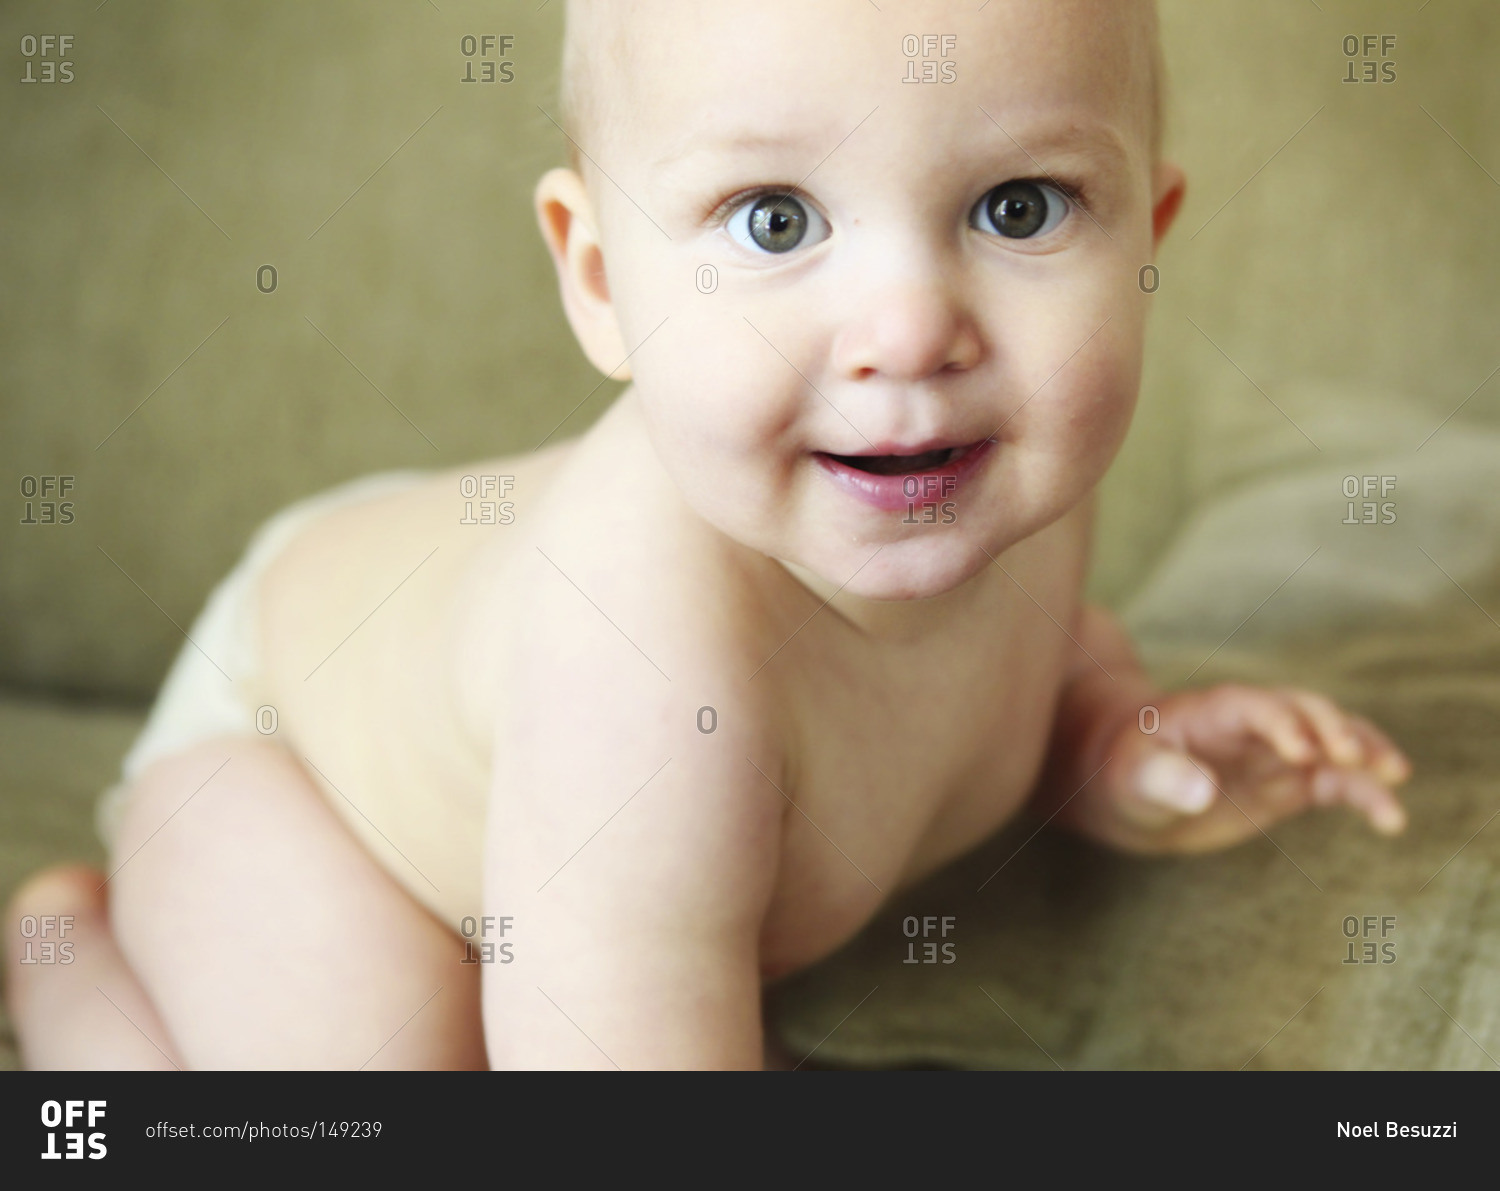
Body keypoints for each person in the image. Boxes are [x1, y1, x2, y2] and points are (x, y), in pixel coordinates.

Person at [5, 0, 1410, 1070]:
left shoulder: (986, 470)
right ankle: (71, 978)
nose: (914, 329)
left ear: (1147, 240)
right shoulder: (648, 662)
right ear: (603, 281)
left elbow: (1018, 660)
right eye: (777, 218)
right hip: (291, 749)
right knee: (375, 1067)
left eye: (1018, 206)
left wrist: (1118, 745)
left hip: (449, 630)